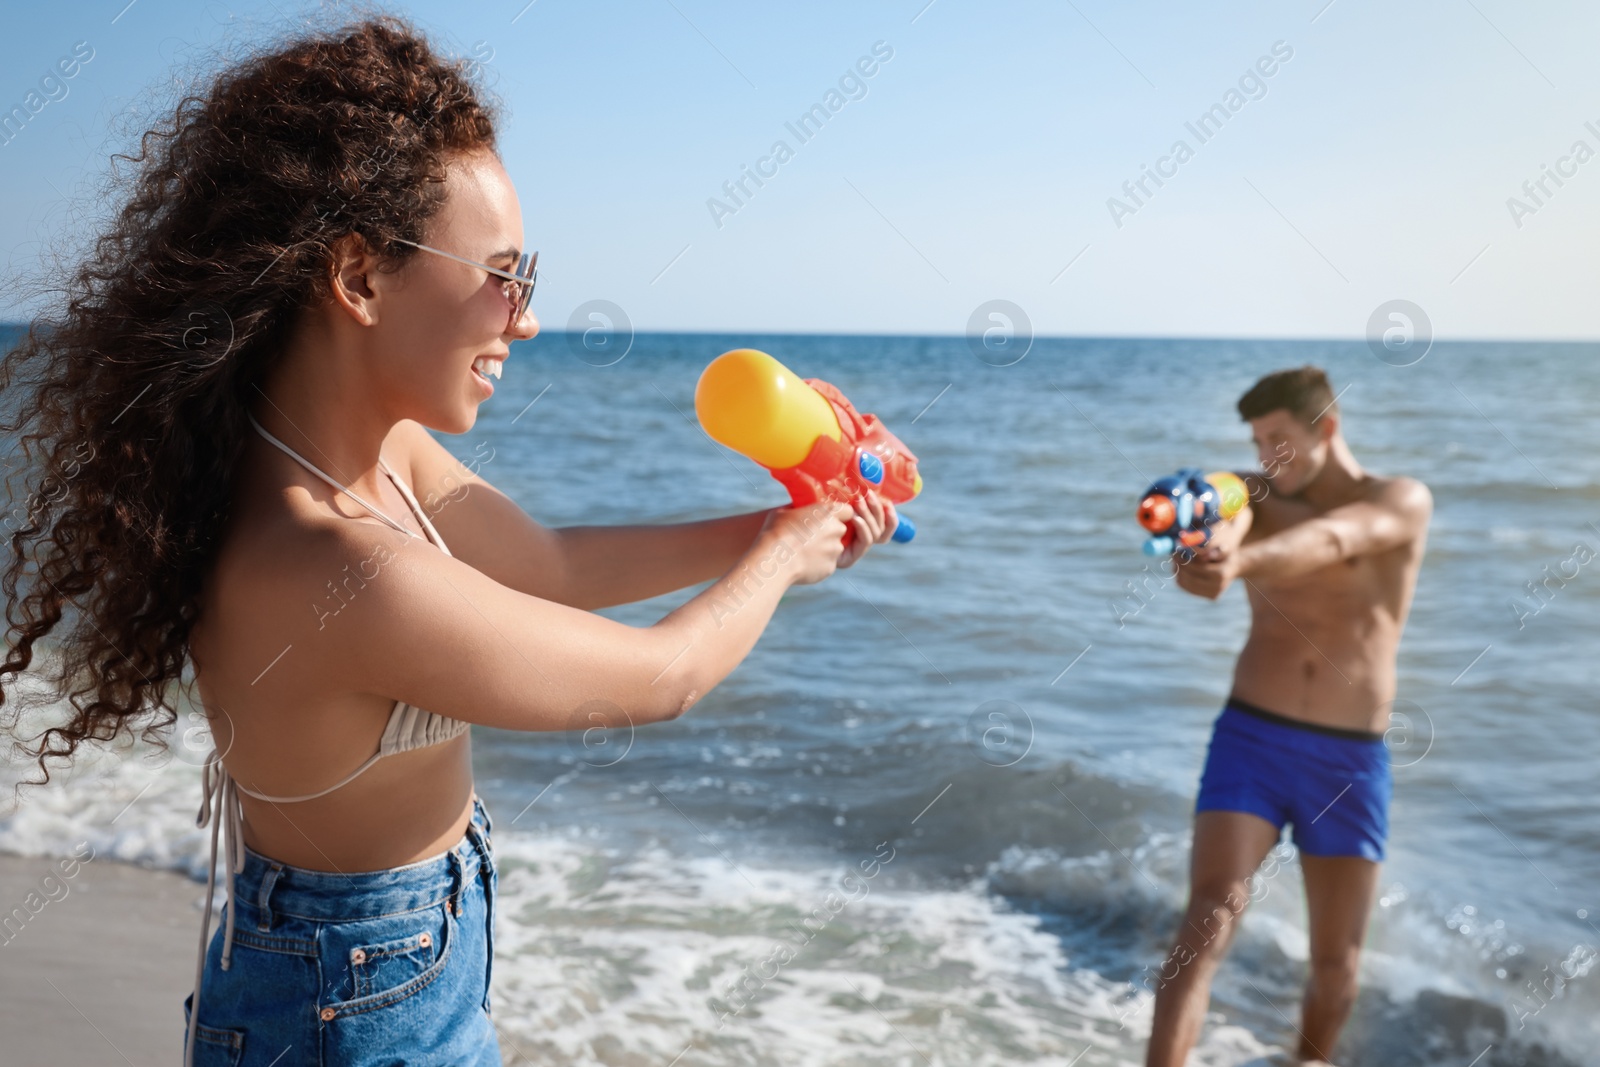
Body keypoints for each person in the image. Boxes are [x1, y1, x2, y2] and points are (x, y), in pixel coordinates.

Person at [0, 16, 897, 1067]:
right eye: (502, 274)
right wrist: (784, 557)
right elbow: (660, 677)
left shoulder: (380, 458)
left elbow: (551, 568)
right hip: (349, 1006)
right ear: (360, 276)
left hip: (391, 972)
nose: (521, 320)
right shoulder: (332, 564)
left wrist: (788, 519)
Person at [1145, 366, 1432, 1066]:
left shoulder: (1399, 499)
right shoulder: (1260, 490)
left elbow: (1335, 540)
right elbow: (1229, 521)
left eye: (1278, 439)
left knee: (1336, 961)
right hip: (1252, 736)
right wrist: (1210, 551)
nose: (1265, 455)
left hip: (1348, 759)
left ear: (1326, 428)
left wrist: (1241, 564)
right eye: (1256, 440)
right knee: (1207, 917)